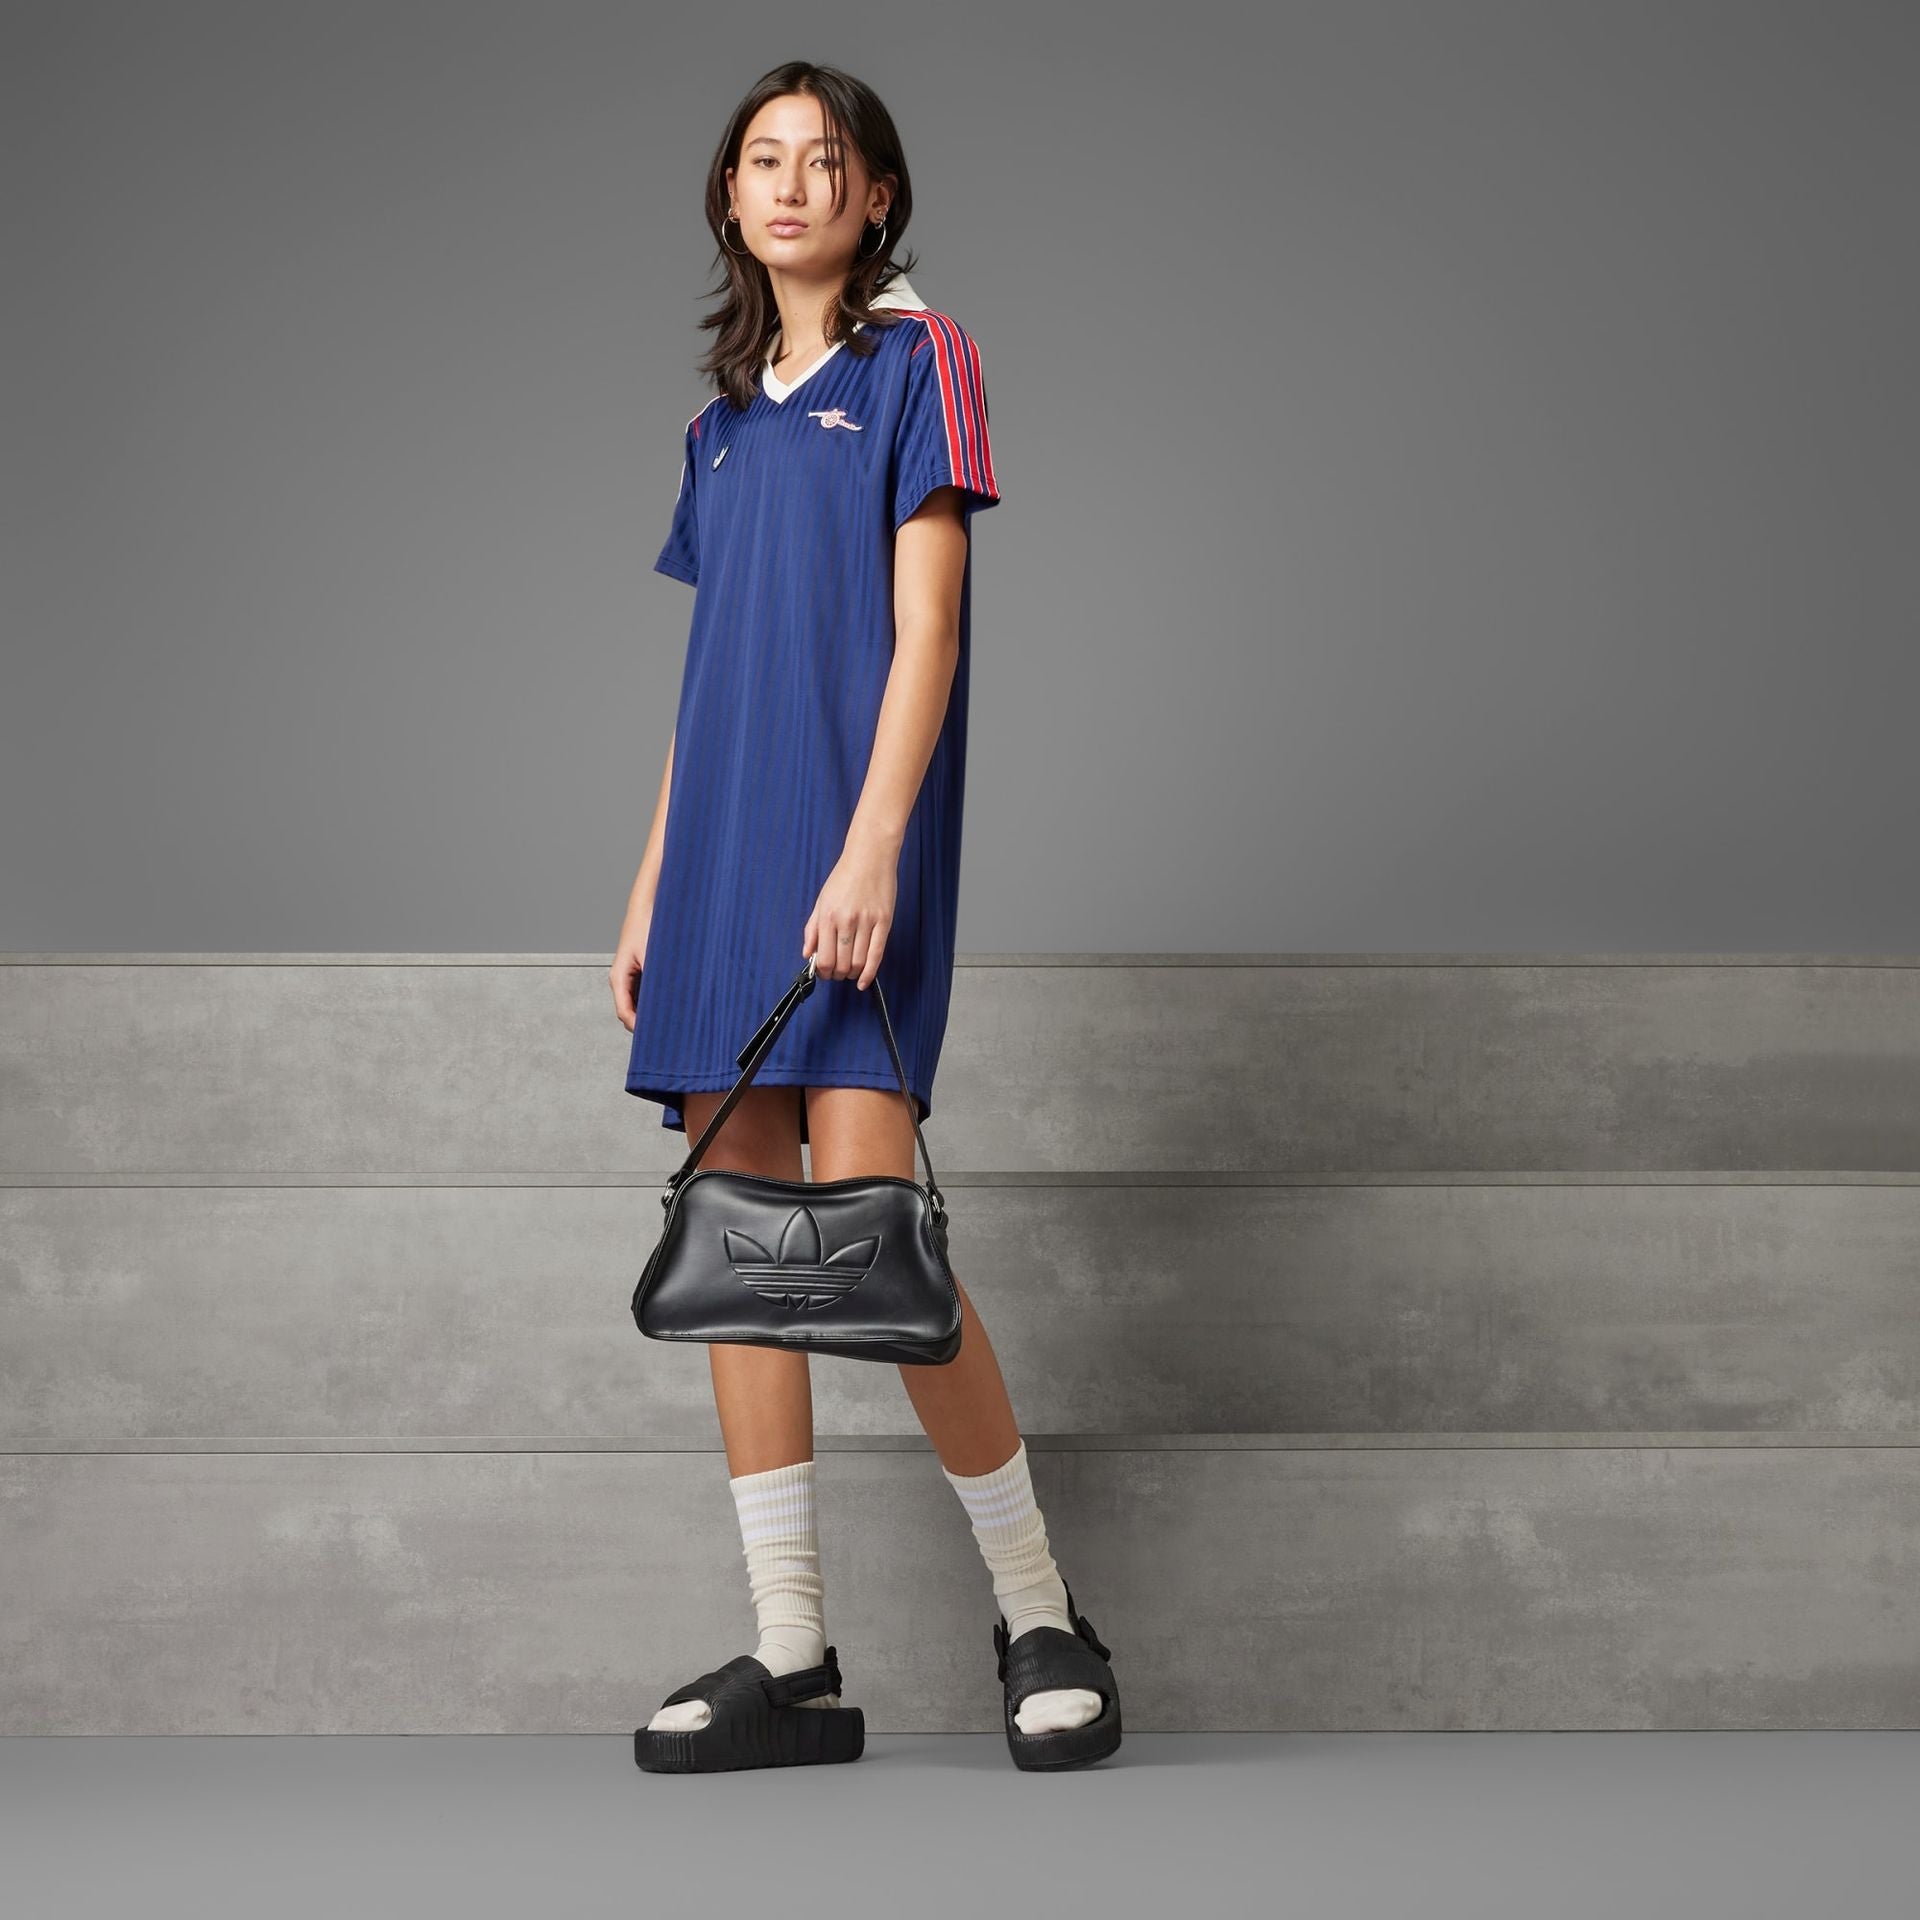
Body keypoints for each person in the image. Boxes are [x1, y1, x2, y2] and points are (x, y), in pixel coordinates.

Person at [611, 62, 1121, 1773]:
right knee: (743, 1249)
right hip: (719, 879)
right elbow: (711, 684)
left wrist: (875, 849)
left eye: (823, 159)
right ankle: (793, 1654)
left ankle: (1042, 1614)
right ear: (728, 195)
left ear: (877, 194)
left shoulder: (922, 363)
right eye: (761, 159)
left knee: (880, 1237)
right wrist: (650, 884)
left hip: (852, 865)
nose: (789, 183)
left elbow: (930, 636)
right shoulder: (717, 427)